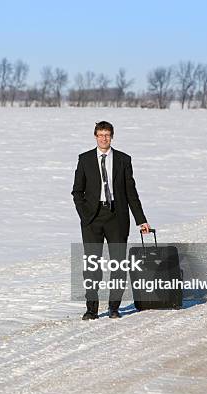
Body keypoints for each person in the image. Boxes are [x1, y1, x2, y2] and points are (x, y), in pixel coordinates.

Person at [71, 121, 151, 320]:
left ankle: (114, 307)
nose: (104, 138)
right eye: (100, 135)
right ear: (95, 136)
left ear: (112, 136)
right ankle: (91, 309)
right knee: (92, 264)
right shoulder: (85, 159)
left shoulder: (124, 160)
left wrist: (141, 220)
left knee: (118, 263)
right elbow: (77, 191)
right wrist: (84, 214)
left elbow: (131, 193)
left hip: (117, 217)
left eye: (107, 135)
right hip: (92, 218)